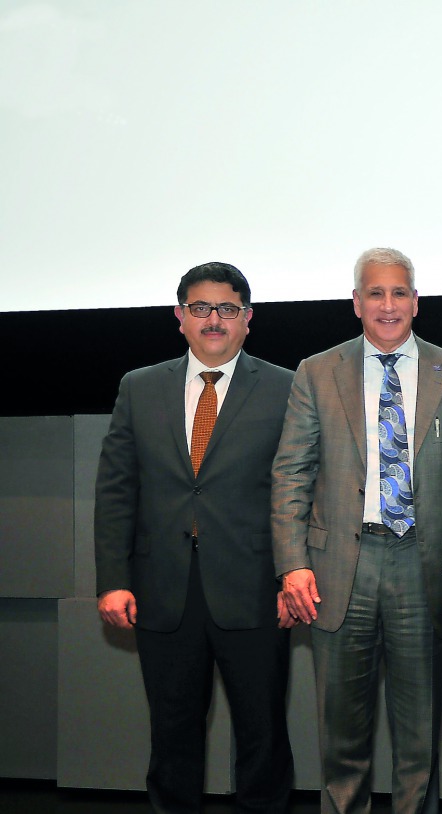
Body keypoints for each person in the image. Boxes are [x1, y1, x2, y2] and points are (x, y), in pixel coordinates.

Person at [271, 248, 442, 814]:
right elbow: (291, 473)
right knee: (341, 737)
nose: (388, 305)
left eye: (399, 292)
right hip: (336, 572)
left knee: (419, 739)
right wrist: (292, 564)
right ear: (356, 303)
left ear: (416, 302)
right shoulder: (317, 371)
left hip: (424, 566)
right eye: (376, 293)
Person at [94, 262, 295, 814]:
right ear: (179, 316)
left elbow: (302, 490)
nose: (214, 320)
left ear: (248, 320)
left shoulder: (285, 388)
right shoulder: (139, 388)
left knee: (263, 737)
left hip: (256, 591)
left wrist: (293, 575)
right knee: (172, 738)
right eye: (200, 308)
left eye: (227, 309)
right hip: (163, 591)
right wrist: (113, 580)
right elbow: (116, 491)